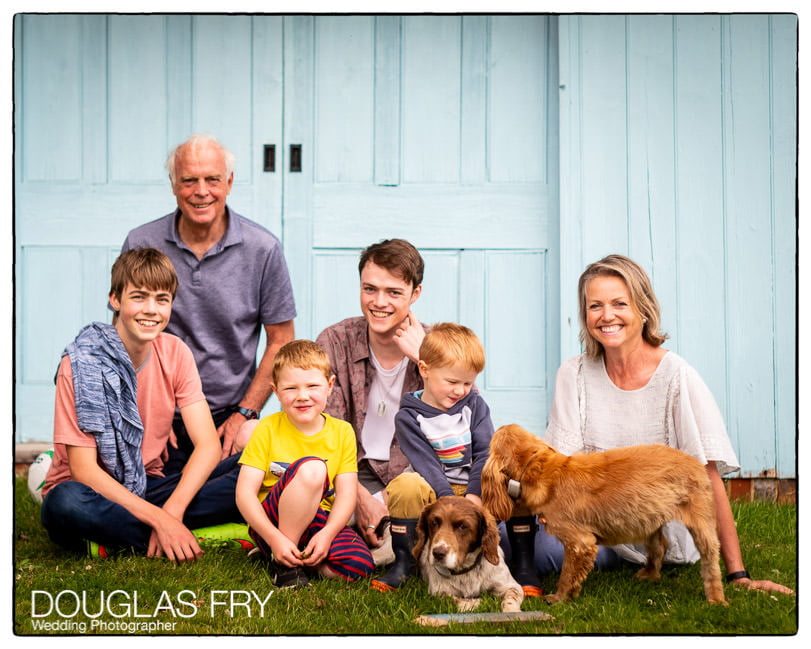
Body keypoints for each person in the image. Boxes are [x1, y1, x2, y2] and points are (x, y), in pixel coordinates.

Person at [540, 253, 794, 596]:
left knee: (543, 552)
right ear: (585, 315)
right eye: (595, 306)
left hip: (646, 527)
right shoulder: (574, 373)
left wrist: (739, 575)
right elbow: (560, 466)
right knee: (510, 533)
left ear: (643, 309)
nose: (607, 316)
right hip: (591, 520)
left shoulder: (676, 377)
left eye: (619, 303)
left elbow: (706, 477)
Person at [40, 248, 243, 562]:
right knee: (65, 504)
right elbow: (83, 471)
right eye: (139, 297)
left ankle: (125, 538)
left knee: (252, 469)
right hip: (92, 492)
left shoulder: (175, 352)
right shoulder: (79, 364)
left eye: (162, 299)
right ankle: (194, 535)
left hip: (148, 485)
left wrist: (171, 511)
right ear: (115, 299)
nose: (151, 310)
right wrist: (159, 519)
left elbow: (207, 446)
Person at [121, 133, 296, 470]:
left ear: (229, 182)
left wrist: (245, 412)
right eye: (189, 180)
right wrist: (146, 411)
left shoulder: (263, 249)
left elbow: (281, 340)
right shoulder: (142, 242)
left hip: (227, 418)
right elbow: (128, 334)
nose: (201, 191)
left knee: (261, 473)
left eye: (212, 179)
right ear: (173, 184)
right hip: (159, 415)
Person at [372, 323, 542, 597]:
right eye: (452, 382)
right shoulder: (409, 416)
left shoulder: (474, 405)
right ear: (424, 370)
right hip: (434, 490)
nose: (461, 390)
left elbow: (484, 453)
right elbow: (426, 463)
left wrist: (474, 495)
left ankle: (524, 563)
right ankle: (405, 562)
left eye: (467, 382)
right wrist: (449, 500)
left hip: (476, 488)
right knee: (404, 486)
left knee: (516, 480)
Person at [315, 239, 433, 564]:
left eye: (394, 292)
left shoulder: (437, 344)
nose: (379, 302)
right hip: (352, 475)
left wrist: (425, 362)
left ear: (415, 293)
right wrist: (358, 497)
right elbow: (323, 432)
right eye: (370, 289)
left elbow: (464, 424)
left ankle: (377, 543)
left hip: (414, 479)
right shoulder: (334, 341)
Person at [235, 340, 375, 588]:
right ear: (276, 391)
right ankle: (283, 561)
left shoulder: (342, 432)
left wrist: (327, 534)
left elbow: (346, 495)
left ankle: (291, 553)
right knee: (313, 469)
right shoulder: (267, 428)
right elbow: (245, 494)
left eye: (312, 386)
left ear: (330, 385)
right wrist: (274, 537)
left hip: (318, 519)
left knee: (359, 566)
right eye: (290, 388)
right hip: (273, 520)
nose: (302, 396)